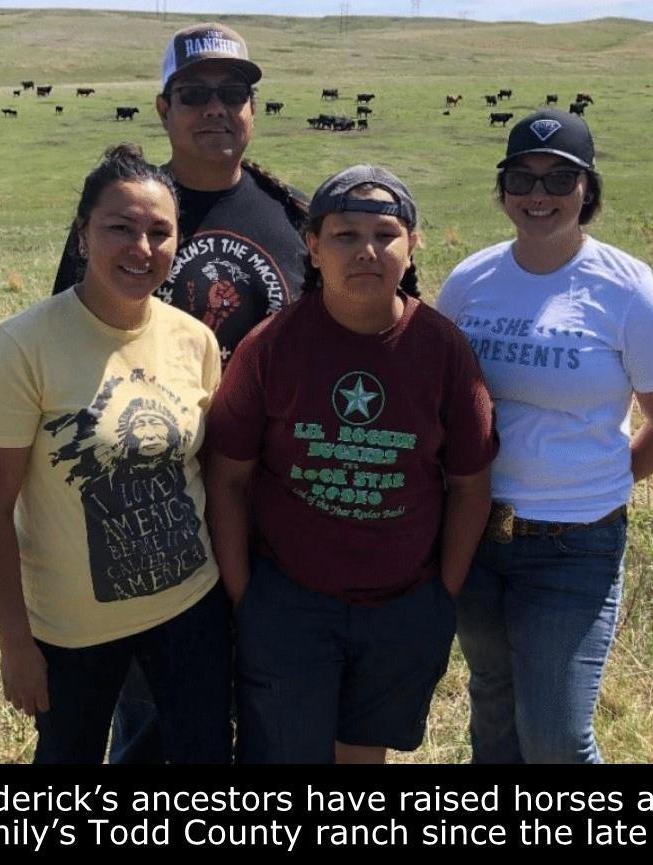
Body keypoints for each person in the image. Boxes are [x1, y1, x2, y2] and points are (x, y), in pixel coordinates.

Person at [51, 23, 308, 764]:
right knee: (148, 717)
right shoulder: (126, 215)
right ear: (163, 109)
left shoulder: (291, 217)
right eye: (195, 94)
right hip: (148, 505)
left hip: (268, 506)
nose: (216, 109)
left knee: (256, 705)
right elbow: (74, 351)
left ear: (254, 108)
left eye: (234, 93)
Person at [205, 166, 498, 764]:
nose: (366, 251)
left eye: (385, 234)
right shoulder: (271, 346)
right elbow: (228, 479)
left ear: (412, 245)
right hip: (289, 600)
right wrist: (245, 594)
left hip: (403, 604)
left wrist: (442, 592)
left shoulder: (442, 349)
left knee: (365, 757)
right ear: (312, 248)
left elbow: (470, 484)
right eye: (344, 236)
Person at [436, 109, 653, 763]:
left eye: (560, 179)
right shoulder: (471, 282)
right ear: (502, 191)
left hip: (573, 544)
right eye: (522, 178)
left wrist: (601, 483)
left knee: (555, 736)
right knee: (494, 709)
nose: (539, 196)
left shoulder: (632, 293)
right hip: (477, 534)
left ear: (589, 191)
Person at [0, 144, 230, 764]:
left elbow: (209, 475)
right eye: (120, 228)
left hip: (191, 605)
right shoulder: (18, 348)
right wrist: (15, 645)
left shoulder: (195, 340)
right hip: (73, 626)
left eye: (159, 232)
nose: (141, 247)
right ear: (82, 234)